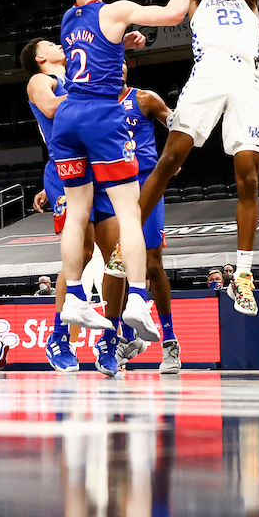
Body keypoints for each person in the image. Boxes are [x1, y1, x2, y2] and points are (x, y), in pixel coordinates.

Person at [47, 0, 197, 378]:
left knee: (77, 213)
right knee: (130, 215)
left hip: (69, 118)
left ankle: (75, 294)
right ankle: (134, 298)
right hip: (100, 117)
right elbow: (172, 15)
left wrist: (121, 43)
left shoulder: (67, 20)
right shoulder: (114, 9)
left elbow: (91, 53)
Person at [138, 0, 259, 318]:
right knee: (171, 158)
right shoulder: (197, 0)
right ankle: (130, 240)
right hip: (208, 70)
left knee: (249, 177)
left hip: (248, 78)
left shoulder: (250, 1)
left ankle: (244, 274)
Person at [22, 36, 114, 372]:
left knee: (113, 252)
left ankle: (111, 337)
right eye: (49, 43)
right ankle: (59, 336)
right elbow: (51, 109)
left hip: (97, 164)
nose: (58, 44)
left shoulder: (74, 77)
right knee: (81, 253)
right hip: (65, 166)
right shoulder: (40, 80)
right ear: (39, 57)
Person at [94, 62, 181, 374]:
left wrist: (174, 157)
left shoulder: (144, 99)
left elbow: (177, 124)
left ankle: (170, 342)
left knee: (153, 265)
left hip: (146, 184)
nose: (117, 70)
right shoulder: (94, 107)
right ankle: (116, 338)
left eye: (122, 65)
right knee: (115, 265)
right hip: (111, 188)